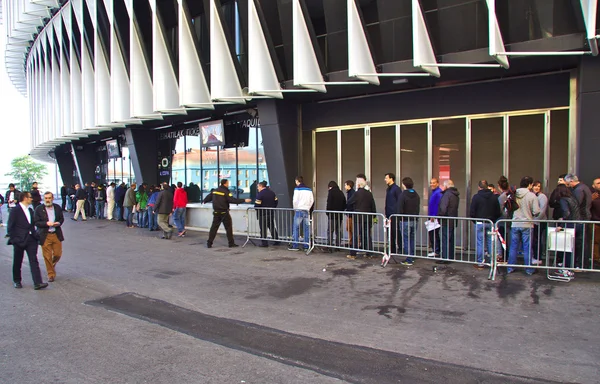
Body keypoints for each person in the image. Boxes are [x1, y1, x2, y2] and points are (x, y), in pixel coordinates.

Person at [7, 192, 48, 290]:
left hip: (31, 239)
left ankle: (37, 282)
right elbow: (10, 226)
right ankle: (17, 280)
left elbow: (32, 224)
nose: (32, 199)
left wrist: (35, 235)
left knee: (34, 260)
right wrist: (15, 239)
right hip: (19, 240)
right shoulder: (15, 210)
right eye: (30, 197)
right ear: (25, 198)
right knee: (18, 261)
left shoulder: (30, 210)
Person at [507, 176, 540, 276]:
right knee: (527, 247)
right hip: (527, 224)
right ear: (530, 185)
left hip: (515, 223)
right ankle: (529, 269)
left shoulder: (514, 194)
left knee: (513, 246)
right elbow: (536, 211)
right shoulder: (532, 196)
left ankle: (510, 267)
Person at [203, 179, 251, 248]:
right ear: (225, 184)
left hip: (216, 212)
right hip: (224, 212)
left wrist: (204, 201)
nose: (228, 184)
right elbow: (232, 200)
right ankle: (231, 243)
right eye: (228, 183)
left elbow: (208, 197)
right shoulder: (226, 191)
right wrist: (244, 200)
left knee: (214, 228)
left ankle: (209, 243)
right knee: (228, 228)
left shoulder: (215, 190)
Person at [470, 180, 501, 269]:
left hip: (480, 222)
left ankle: (480, 263)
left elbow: (472, 211)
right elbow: (498, 211)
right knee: (490, 242)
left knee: (480, 243)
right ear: (487, 186)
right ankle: (492, 262)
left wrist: (475, 220)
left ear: (479, 187)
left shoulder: (476, 197)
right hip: (490, 222)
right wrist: (493, 220)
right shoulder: (494, 197)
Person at [34, 192, 64, 282]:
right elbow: (36, 222)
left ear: (52, 198)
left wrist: (58, 223)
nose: (47, 200)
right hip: (45, 235)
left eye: (49, 198)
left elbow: (61, 218)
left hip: (56, 234)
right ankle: (50, 274)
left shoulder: (57, 207)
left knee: (58, 254)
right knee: (47, 256)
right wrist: (46, 223)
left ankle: (52, 265)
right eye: (46, 198)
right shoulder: (39, 209)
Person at [564, 173, 593, 268]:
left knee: (580, 243)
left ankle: (580, 264)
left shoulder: (579, 190)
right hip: (585, 217)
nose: (568, 186)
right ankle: (582, 264)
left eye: (568, 184)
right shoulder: (584, 187)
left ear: (572, 181)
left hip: (580, 218)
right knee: (583, 242)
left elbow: (576, 205)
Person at [346, 178, 376, 259]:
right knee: (367, 235)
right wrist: (374, 216)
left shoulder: (357, 194)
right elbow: (373, 205)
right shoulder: (369, 194)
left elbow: (349, 202)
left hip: (358, 217)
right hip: (367, 217)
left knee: (356, 234)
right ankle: (369, 253)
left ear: (358, 185)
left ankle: (353, 254)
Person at [396, 177, 420, 265]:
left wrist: (399, 218)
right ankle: (411, 257)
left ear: (404, 185)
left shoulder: (403, 195)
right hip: (414, 220)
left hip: (405, 220)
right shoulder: (416, 194)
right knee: (412, 239)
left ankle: (408, 259)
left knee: (406, 239)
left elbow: (400, 208)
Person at [288, 176, 314, 251]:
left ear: (297, 181)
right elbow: (312, 200)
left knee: (296, 228)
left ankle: (295, 245)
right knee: (306, 228)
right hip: (306, 210)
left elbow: (295, 200)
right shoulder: (309, 189)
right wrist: (308, 207)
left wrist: (295, 208)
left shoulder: (297, 189)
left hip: (299, 210)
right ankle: (306, 246)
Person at [438, 179, 460, 263]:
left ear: (446, 186)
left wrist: (439, 217)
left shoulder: (447, 195)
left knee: (445, 239)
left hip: (446, 220)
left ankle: (445, 257)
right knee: (450, 240)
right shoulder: (455, 195)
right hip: (453, 219)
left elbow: (443, 208)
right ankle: (450, 256)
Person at [255, 181, 279, 247]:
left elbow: (257, 205)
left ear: (261, 186)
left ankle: (264, 243)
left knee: (263, 229)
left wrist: (257, 209)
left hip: (262, 214)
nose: (257, 188)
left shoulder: (260, 194)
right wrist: (273, 208)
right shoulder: (272, 193)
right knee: (272, 227)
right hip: (271, 213)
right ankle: (276, 240)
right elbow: (276, 201)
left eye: (258, 187)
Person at [384, 173, 402, 254]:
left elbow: (399, 201)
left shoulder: (396, 189)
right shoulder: (389, 189)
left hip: (394, 214)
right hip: (389, 214)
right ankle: (392, 249)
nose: (385, 179)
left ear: (391, 179)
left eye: (386, 178)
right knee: (390, 232)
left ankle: (400, 248)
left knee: (396, 231)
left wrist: (398, 213)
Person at [531, 181, 548, 264]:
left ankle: (538, 257)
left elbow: (542, 211)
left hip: (539, 221)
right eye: (535, 186)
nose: (537, 188)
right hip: (534, 221)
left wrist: (535, 220)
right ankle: (535, 256)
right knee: (534, 240)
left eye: (538, 186)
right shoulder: (532, 195)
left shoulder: (542, 196)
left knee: (537, 240)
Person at [326, 181, 346, 250]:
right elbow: (344, 203)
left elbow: (329, 203)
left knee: (330, 230)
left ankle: (330, 246)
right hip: (339, 215)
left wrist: (327, 212)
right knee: (338, 231)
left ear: (330, 186)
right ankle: (338, 246)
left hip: (332, 215)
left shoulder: (331, 192)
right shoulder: (341, 192)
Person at [428, 178, 443, 257]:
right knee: (433, 234)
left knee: (434, 234)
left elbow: (438, 205)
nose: (432, 184)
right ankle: (435, 250)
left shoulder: (438, 192)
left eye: (434, 183)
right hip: (432, 216)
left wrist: (434, 215)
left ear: (437, 183)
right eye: (431, 183)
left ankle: (436, 250)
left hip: (434, 217)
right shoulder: (434, 192)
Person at [591, 178, 600, 264]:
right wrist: (591, 199)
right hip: (596, 222)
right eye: (598, 183)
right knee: (595, 242)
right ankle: (596, 260)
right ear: (593, 186)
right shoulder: (592, 196)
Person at [344, 180, 355, 246]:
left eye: (345, 185)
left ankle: (353, 242)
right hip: (349, 214)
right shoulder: (349, 193)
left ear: (349, 185)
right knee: (349, 228)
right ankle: (351, 241)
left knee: (352, 228)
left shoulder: (352, 193)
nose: (345, 186)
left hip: (351, 214)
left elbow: (350, 203)